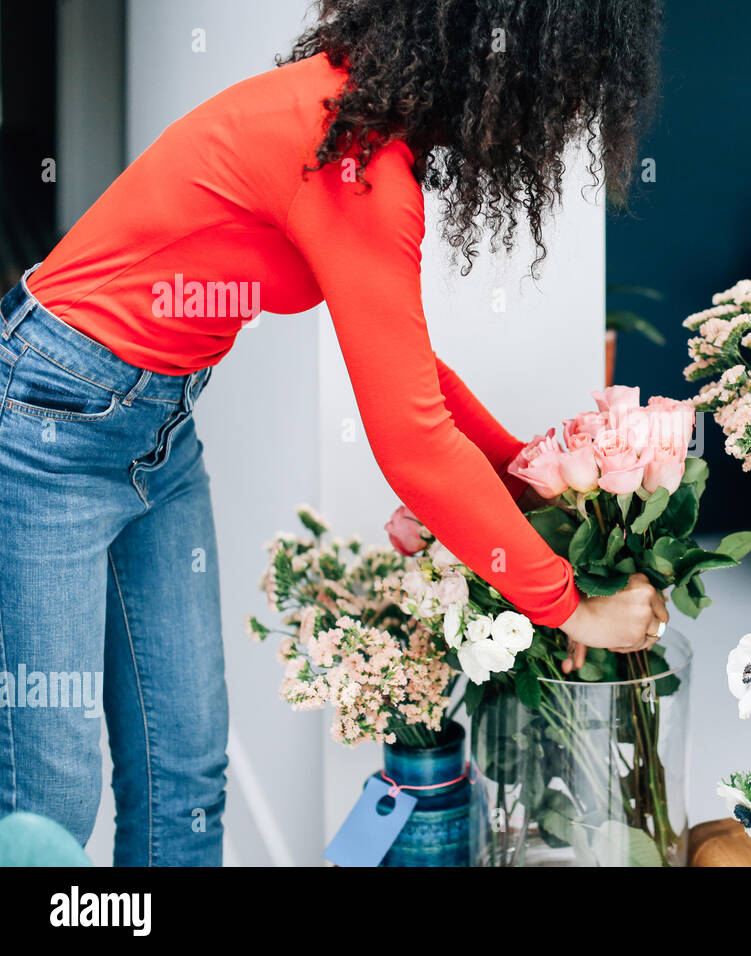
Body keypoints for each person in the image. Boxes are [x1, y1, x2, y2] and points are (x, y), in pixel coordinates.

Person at [0, 0, 663, 865]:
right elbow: (416, 446)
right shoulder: (353, 163)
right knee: (48, 806)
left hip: (153, 429)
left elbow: (412, 371)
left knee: (185, 775)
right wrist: (574, 604)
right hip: (50, 420)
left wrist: (529, 473)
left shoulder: (357, 132)